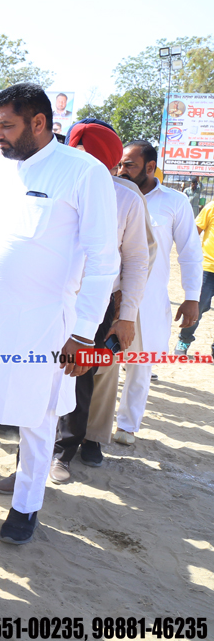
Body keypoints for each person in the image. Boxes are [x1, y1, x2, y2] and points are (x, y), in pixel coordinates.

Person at [0, 83, 118, 545]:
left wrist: (84, 333)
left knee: (38, 416)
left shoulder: (84, 172)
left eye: (7, 126)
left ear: (39, 123)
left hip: (45, 323)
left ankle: (26, 506)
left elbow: (103, 259)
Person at [49, 120, 155, 480]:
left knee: (81, 376)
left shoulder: (125, 198)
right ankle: (34, 450)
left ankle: (64, 451)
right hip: (49, 297)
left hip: (95, 302)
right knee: (40, 372)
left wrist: (126, 315)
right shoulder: (53, 186)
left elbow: (138, 259)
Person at [113, 140, 201, 444]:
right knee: (102, 363)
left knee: (140, 363)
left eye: (130, 165)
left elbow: (190, 251)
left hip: (148, 300)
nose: (122, 170)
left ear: (150, 167)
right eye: (120, 164)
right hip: (108, 294)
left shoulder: (174, 202)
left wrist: (192, 297)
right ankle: (92, 426)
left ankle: (127, 425)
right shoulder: (111, 193)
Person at [177, 198, 214, 356]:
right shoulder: (211, 207)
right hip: (208, 268)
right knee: (197, 305)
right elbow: (194, 233)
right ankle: (184, 340)